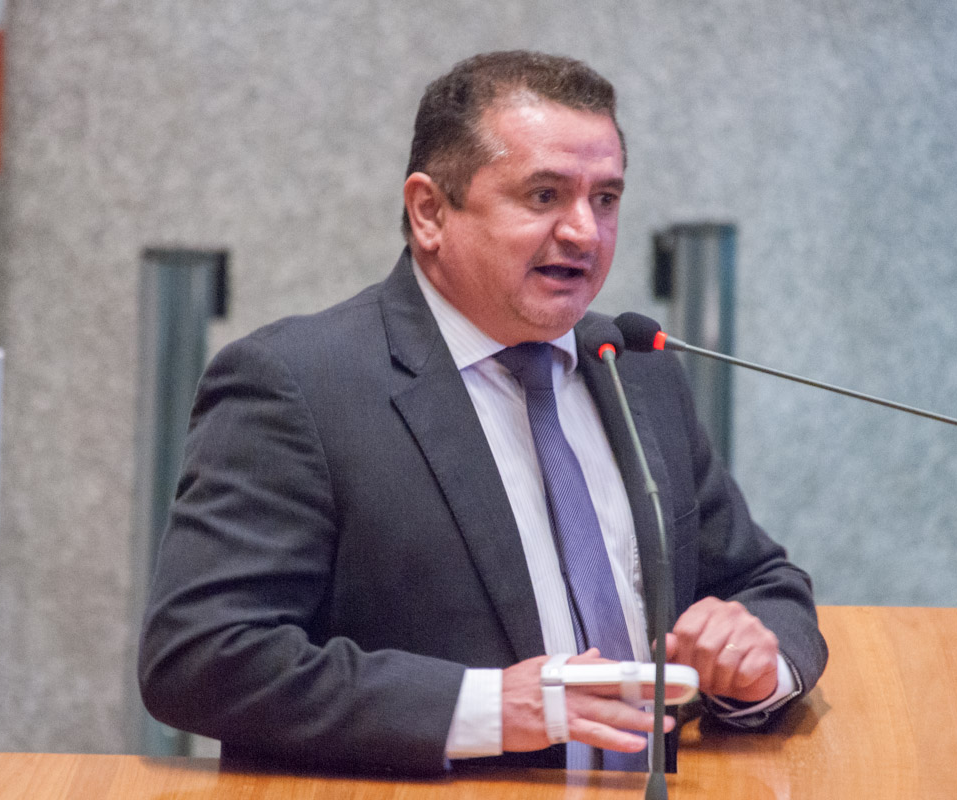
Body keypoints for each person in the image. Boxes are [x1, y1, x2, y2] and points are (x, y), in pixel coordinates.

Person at [139, 50, 827, 776]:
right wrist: (487, 709)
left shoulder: (633, 368)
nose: (584, 232)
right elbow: (201, 656)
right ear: (430, 211)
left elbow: (763, 584)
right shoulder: (298, 385)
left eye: (605, 199)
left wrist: (757, 666)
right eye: (544, 195)